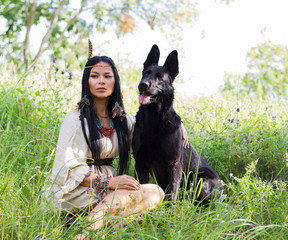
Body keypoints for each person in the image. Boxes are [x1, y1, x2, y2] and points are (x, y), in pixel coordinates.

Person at [45, 47, 188, 239]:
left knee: (156, 192)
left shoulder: (123, 121)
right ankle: (86, 231)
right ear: (87, 81)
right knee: (123, 195)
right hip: (77, 190)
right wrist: (109, 182)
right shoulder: (74, 120)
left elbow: (152, 130)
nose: (101, 81)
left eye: (107, 76)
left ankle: (93, 221)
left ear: (115, 81)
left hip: (109, 192)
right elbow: (68, 168)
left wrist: (179, 125)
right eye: (95, 76)